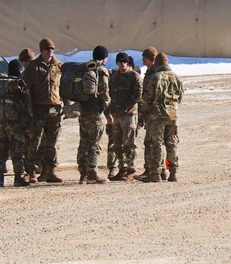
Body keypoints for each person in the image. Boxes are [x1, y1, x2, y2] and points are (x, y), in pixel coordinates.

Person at [22, 38, 64, 183]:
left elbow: (63, 86)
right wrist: (29, 108)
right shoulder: (33, 67)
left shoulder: (58, 66)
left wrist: (63, 102)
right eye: (47, 49)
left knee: (52, 141)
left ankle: (50, 171)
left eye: (52, 49)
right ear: (42, 51)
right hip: (38, 108)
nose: (50, 52)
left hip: (54, 108)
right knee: (35, 141)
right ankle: (32, 171)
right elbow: (26, 89)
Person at [0, 59, 31, 188]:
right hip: (14, 124)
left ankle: (0, 179)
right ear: (20, 70)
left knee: (1, 151)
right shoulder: (17, 85)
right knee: (17, 151)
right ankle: (17, 178)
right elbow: (26, 103)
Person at [138, 51, 184, 183]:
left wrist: (145, 113)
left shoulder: (155, 77)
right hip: (173, 114)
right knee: (172, 142)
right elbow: (180, 97)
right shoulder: (176, 78)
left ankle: (157, 173)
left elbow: (147, 98)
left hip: (157, 115)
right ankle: (173, 172)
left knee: (157, 143)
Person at [76, 46, 112, 184]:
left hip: (83, 111)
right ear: (104, 57)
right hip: (96, 112)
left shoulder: (85, 68)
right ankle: (92, 172)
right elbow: (104, 92)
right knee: (95, 143)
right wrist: (108, 111)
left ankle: (82, 172)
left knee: (83, 142)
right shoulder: (101, 71)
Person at [108, 52, 143, 181]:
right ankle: (122, 168)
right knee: (117, 143)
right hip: (116, 114)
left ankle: (131, 168)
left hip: (128, 114)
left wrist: (126, 107)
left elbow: (138, 95)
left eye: (124, 62)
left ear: (128, 63)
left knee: (129, 142)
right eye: (120, 61)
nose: (122, 64)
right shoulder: (114, 76)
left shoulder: (134, 76)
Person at [17, 48, 37, 182]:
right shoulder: (36, 72)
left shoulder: (26, 75)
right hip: (32, 113)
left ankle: (32, 171)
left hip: (32, 113)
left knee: (31, 143)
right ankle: (34, 170)